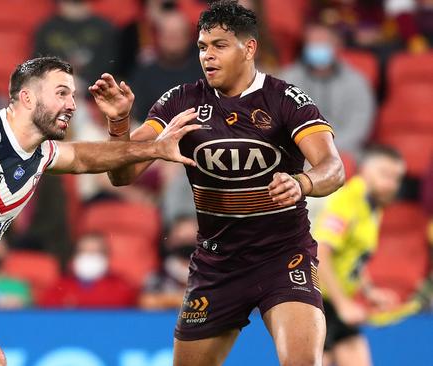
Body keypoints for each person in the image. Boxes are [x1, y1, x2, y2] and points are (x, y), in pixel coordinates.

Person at [0, 56, 199, 366]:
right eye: (61, 93)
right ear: (26, 98)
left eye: (72, 94)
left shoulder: (41, 152)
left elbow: (89, 158)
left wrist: (142, 140)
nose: (72, 104)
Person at [90, 1, 345, 365]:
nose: (207, 56)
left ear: (249, 48)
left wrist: (302, 182)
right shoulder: (181, 101)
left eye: (219, 45)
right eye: (202, 47)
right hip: (217, 264)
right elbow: (122, 175)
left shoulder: (286, 100)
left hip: (283, 257)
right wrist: (119, 126)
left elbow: (333, 168)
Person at [313, 145, 405, 366]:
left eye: (396, 178)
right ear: (365, 170)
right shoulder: (347, 201)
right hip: (316, 302)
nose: (391, 184)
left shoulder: (373, 205)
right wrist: (343, 303)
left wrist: (370, 291)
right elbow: (320, 253)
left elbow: (354, 257)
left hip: (333, 303)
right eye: (385, 174)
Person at [280, 23, 375, 158]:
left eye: (323, 43)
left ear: (337, 46)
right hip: (300, 152)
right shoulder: (287, 80)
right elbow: (282, 123)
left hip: (346, 152)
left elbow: (359, 125)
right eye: (312, 43)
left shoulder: (356, 81)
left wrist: (330, 149)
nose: (317, 48)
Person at [38, 233, 138, 308]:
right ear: (75, 257)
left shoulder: (122, 287)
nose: (89, 256)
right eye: (84, 252)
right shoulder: (59, 287)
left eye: (95, 252)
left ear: (107, 257)